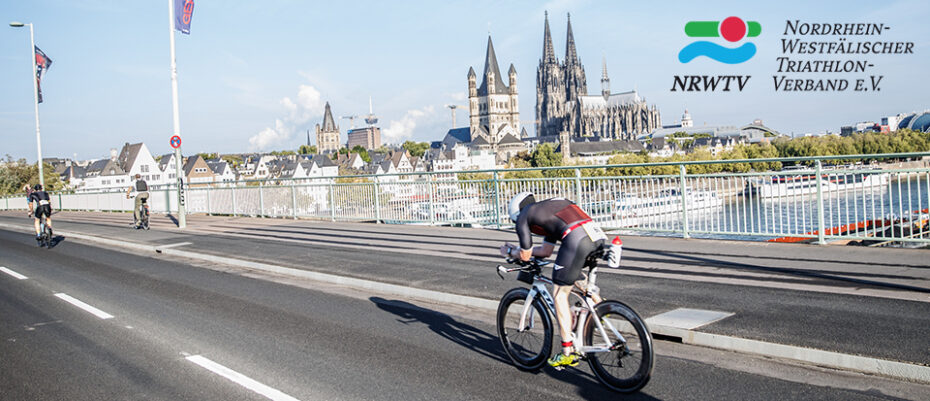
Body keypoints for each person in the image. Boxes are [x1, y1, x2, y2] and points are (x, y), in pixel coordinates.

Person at [500, 192, 607, 369]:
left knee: (559, 294)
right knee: (572, 275)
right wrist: (522, 250)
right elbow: (546, 251)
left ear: (515, 215)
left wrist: (510, 252)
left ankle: (567, 352)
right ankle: (601, 309)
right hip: (597, 236)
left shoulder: (523, 216)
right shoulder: (546, 210)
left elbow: (525, 256)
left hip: (576, 239)